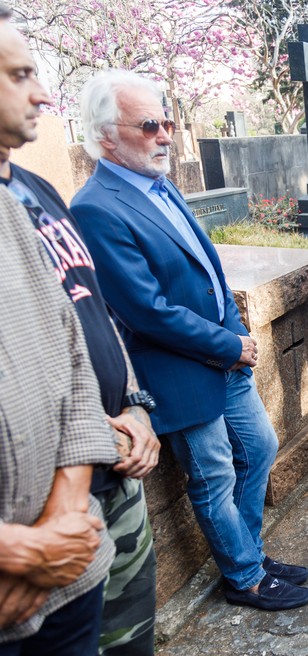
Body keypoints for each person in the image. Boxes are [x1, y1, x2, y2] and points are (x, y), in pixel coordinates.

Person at [70, 70, 308, 611]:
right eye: (150, 124)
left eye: (168, 122)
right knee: (214, 473)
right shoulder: (95, 207)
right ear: (107, 136)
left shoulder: (159, 183)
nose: (166, 135)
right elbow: (146, 310)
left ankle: (248, 550)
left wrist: (236, 328)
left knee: (261, 448)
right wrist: (228, 345)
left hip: (223, 353)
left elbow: (208, 271)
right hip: (177, 368)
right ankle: (244, 577)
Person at [0, 16, 160, 653]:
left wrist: (132, 404)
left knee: (128, 635)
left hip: (99, 480)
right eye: (20, 75)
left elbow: (83, 322)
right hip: (32, 528)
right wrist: (26, 545)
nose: (42, 94)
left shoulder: (29, 194)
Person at [0, 184, 120, 655]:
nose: (46, 103)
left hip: (69, 573)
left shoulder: (14, 205)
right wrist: (24, 553)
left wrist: (61, 523)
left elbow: (73, 343)